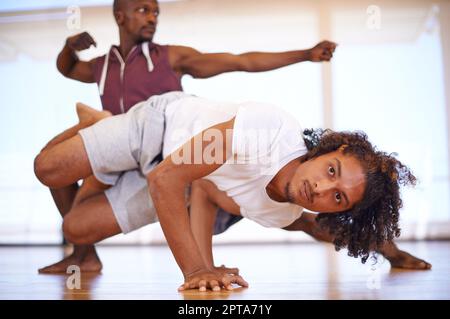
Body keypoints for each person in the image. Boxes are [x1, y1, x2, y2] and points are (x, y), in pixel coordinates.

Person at [44, 0, 337, 273]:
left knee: (74, 222)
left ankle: (96, 128)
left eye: (155, 12)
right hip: (123, 147)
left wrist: (305, 54)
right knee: (53, 171)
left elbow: (240, 61)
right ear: (120, 16)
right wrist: (69, 48)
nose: (152, 17)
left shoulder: (171, 56)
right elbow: (68, 68)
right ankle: (83, 255)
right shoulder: (102, 65)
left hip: (164, 156)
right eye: (143, 10)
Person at [34, 92, 428, 291]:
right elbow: (165, 181)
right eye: (331, 170)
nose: (322, 187)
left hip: (175, 177)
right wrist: (197, 269)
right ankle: (102, 124)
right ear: (325, 151)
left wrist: (388, 250)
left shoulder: (283, 214)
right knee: (47, 169)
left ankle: (104, 159)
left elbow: (205, 190)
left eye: (338, 197)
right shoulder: (268, 130)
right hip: (158, 128)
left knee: (76, 230)